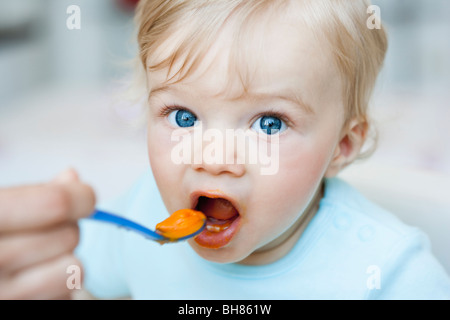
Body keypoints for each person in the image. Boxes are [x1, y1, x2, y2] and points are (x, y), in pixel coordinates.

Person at [2, 0, 450, 299]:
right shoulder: (138, 215)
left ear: (342, 145)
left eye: (269, 124)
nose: (212, 158)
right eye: (183, 117)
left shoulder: (393, 276)